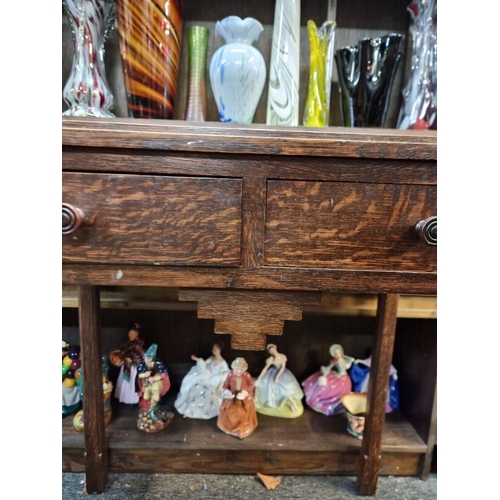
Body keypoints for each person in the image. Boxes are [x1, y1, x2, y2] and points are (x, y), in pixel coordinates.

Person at [174, 342, 229, 419]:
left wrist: (219, 385)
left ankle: (197, 411)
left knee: (203, 390)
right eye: (213, 349)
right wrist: (197, 359)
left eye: (215, 349)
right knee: (194, 384)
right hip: (206, 377)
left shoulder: (223, 363)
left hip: (214, 382)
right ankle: (189, 409)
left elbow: (225, 375)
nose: (213, 350)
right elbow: (204, 364)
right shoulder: (211, 358)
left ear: (220, 351)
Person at [302, 343, 354, 416]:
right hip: (338, 376)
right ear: (334, 354)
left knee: (344, 392)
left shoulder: (345, 359)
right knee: (329, 389)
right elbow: (329, 367)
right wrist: (325, 372)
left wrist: (345, 357)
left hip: (345, 378)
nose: (338, 354)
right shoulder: (335, 361)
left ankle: (339, 405)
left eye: (339, 352)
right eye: (336, 353)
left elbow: (351, 359)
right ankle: (327, 404)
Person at [254, 344, 304, 417]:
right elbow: (265, 369)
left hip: (283, 373)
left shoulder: (283, 356)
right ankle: (275, 401)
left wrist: (277, 376)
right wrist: (260, 377)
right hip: (272, 373)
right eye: (270, 351)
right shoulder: (271, 359)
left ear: (275, 348)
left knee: (287, 385)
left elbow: (282, 367)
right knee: (268, 384)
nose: (272, 351)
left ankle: (291, 401)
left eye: (273, 349)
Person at [217, 357, 258, 439]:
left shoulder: (247, 375)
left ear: (244, 369)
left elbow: (251, 385)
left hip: (243, 398)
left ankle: (242, 429)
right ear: (233, 368)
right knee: (229, 411)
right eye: (237, 369)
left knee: (243, 413)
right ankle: (229, 427)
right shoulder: (230, 374)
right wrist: (226, 391)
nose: (239, 371)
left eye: (241, 369)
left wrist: (245, 392)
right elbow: (226, 384)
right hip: (232, 396)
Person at [111, 323, 147, 404]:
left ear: (138, 334)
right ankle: (124, 398)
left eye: (135, 333)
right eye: (131, 333)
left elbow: (142, 356)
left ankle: (133, 399)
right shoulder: (126, 343)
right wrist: (122, 357)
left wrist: (133, 360)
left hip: (134, 368)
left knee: (133, 383)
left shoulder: (140, 343)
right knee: (124, 382)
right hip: (126, 366)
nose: (132, 335)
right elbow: (121, 352)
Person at [136, 343, 170, 421]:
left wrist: (154, 378)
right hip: (146, 382)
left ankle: (152, 410)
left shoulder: (158, 363)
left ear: (153, 358)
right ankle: (152, 405)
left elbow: (162, 374)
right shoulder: (143, 364)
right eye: (146, 358)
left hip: (157, 382)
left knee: (155, 392)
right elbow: (139, 375)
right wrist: (144, 375)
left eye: (149, 358)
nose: (147, 360)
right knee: (146, 397)